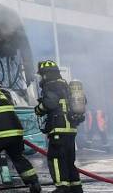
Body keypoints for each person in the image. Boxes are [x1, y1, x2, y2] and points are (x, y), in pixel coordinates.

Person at [34, 60, 83, 193]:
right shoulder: (66, 85)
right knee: (68, 160)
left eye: (42, 75)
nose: (42, 78)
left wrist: (38, 109)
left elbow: (50, 103)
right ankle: (76, 187)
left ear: (46, 74)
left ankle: (62, 187)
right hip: (71, 129)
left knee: (55, 158)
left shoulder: (50, 85)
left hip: (58, 129)